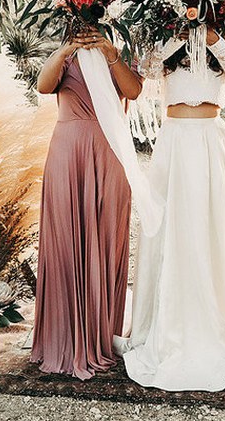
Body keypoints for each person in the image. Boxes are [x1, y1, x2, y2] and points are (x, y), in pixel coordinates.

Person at [118, 27, 225, 392]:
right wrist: (177, 34)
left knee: (207, 227)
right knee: (168, 226)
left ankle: (207, 314)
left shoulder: (219, 47)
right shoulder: (168, 45)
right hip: (175, 139)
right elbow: (147, 69)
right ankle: (163, 320)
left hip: (210, 138)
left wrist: (213, 38)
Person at [30, 27, 142, 380]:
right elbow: (44, 86)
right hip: (68, 149)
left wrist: (110, 51)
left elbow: (134, 90)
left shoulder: (120, 51)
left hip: (110, 150)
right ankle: (63, 335)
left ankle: (100, 333)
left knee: (106, 236)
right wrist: (66, 50)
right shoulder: (65, 54)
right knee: (66, 238)